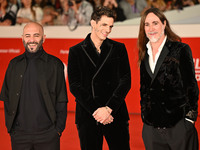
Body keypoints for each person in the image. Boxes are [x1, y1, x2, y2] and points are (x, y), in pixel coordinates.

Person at [68, 6, 131, 150]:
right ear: (93, 23)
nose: (108, 30)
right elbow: (75, 85)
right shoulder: (76, 51)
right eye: (104, 25)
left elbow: (126, 80)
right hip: (88, 115)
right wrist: (97, 111)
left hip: (115, 113)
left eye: (111, 26)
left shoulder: (119, 48)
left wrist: (108, 109)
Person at [138, 7, 199, 150]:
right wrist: (145, 119)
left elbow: (191, 85)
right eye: (147, 24)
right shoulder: (144, 54)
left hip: (178, 126)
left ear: (164, 24)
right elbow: (144, 89)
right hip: (151, 129)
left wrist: (189, 119)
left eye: (155, 23)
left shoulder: (180, 49)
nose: (151, 28)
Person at [0, 22, 68, 150]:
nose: (32, 40)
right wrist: (11, 129)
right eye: (28, 36)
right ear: (22, 38)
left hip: (48, 135)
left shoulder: (55, 64)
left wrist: (57, 130)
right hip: (19, 135)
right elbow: (7, 98)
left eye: (36, 35)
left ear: (44, 38)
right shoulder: (13, 65)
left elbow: (61, 98)